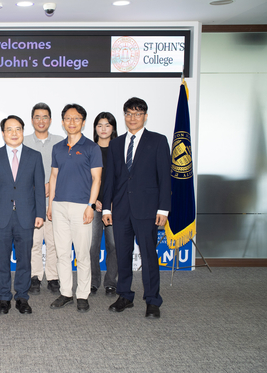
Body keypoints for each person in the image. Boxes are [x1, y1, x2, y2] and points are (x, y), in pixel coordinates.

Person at [102, 97, 171, 319]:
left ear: (145, 116)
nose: (133, 118)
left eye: (138, 114)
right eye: (129, 114)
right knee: (122, 255)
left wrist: (163, 209)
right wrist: (106, 209)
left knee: (149, 256)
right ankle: (124, 296)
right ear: (124, 117)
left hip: (148, 210)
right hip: (121, 210)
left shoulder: (158, 141)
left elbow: (165, 178)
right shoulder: (115, 144)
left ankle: (152, 301)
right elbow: (109, 180)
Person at [0, 115, 45, 315]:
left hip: (26, 216)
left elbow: (39, 189)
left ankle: (22, 297)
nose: (14, 133)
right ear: (3, 133)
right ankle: (3, 298)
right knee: (1, 260)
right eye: (9, 129)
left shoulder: (34, 156)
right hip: (1, 216)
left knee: (25, 260)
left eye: (18, 129)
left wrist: (40, 213)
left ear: (23, 131)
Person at [48, 104, 102, 312]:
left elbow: (97, 179)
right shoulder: (58, 148)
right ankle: (66, 293)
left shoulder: (91, 147)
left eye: (76, 118)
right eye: (68, 119)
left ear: (83, 122)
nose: (72, 122)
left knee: (82, 253)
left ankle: (82, 295)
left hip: (82, 206)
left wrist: (90, 205)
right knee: (62, 253)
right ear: (62, 122)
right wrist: (51, 204)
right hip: (59, 206)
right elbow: (53, 176)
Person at [23, 103, 64, 295]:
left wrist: (50, 185)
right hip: (32, 202)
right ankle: (35, 276)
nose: (41, 121)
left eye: (45, 117)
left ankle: (53, 277)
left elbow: (66, 170)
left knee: (54, 242)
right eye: (37, 117)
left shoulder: (60, 141)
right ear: (32, 120)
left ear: (50, 120)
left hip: (56, 201)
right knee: (34, 242)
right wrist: (38, 187)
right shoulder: (22, 142)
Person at [89, 112, 119, 297]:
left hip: (114, 205)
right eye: (100, 125)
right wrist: (94, 200)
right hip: (93, 205)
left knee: (113, 244)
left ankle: (111, 282)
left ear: (113, 128)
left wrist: (113, 202)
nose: (103, 129)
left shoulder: (119, 149)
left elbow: (122, 179)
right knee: (91, 245)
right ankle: (93, 281)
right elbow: (85, 179)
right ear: (94, 128)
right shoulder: (89, 149)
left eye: (107, 125)